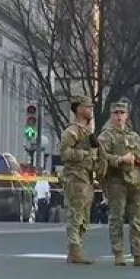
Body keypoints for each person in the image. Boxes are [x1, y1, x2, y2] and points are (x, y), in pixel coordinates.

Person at [97, 100, 140, 267]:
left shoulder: (134, 136)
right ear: (111, 115)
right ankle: (118, 252)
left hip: (136, 181)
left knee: (138, 219)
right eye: (116, 113)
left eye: (122, 113)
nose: (119, 116)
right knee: (117, 218)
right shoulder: (106, 136)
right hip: (117, 181)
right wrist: (120, 159)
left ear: (127, 116)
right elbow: (101, 157)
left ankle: (138, 254)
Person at [58, 96, 105, 265]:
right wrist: (85, 154)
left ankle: (78, 246)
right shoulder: (72, 132)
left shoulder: (87, 132)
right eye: (87, 107)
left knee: (84, 215)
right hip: (75, 177)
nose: (91, 110)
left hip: (86, 177)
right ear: (78, 109)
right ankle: (74, 248)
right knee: (76, 214)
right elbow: (64, 154)